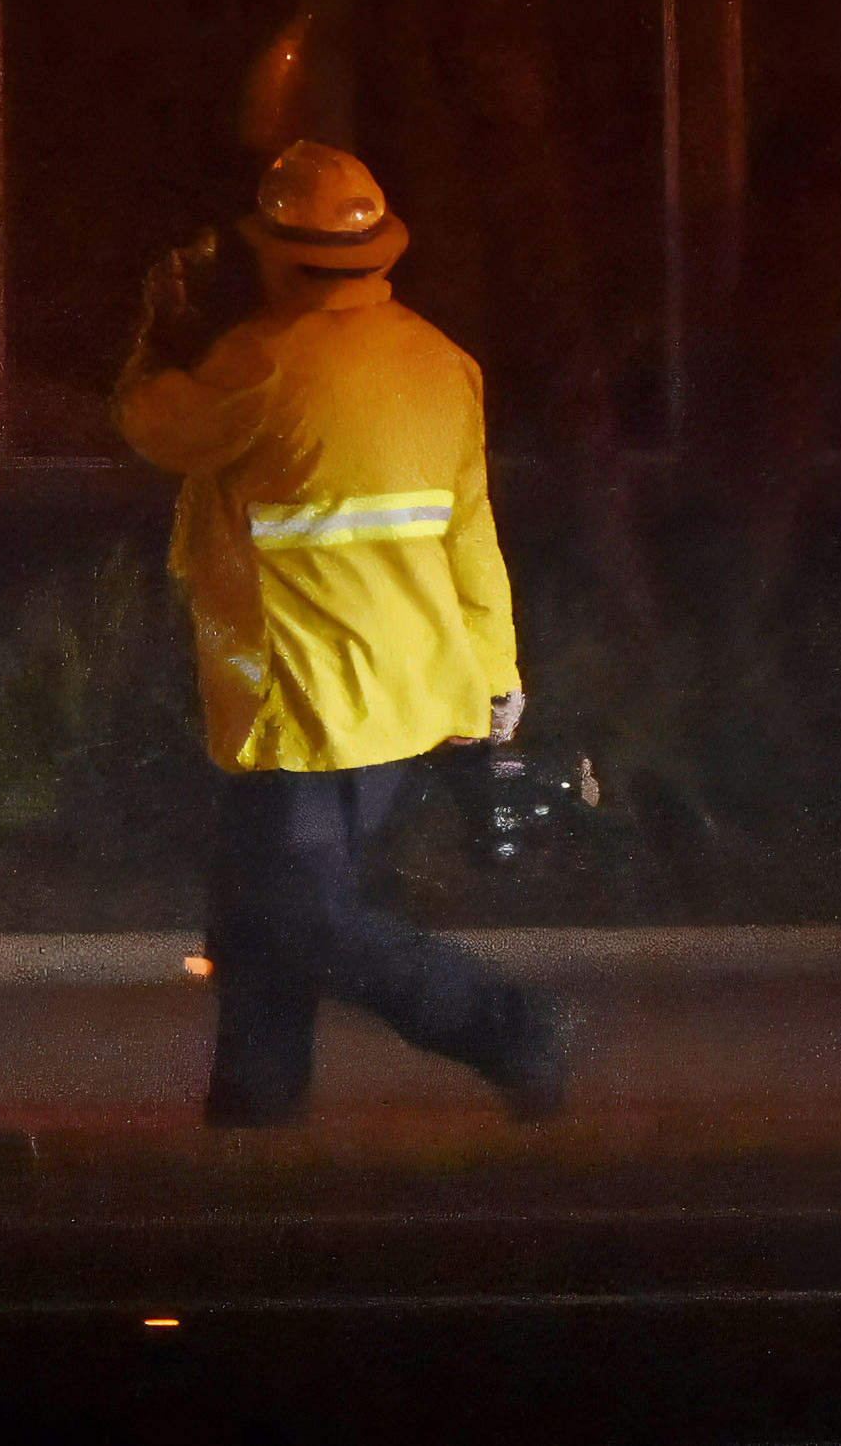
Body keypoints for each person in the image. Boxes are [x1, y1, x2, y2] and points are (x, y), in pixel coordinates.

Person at [117, 134, 583, 1128]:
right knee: (254, 923)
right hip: (399, 699)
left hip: (294, 704)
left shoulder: (258, 363)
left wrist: (156, 335)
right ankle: (252, 1121)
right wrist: (494, 684)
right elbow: (470, 537)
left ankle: (507, 1027)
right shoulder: (440, 365)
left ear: (276, 253)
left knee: (300, 921)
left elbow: (155, 426)